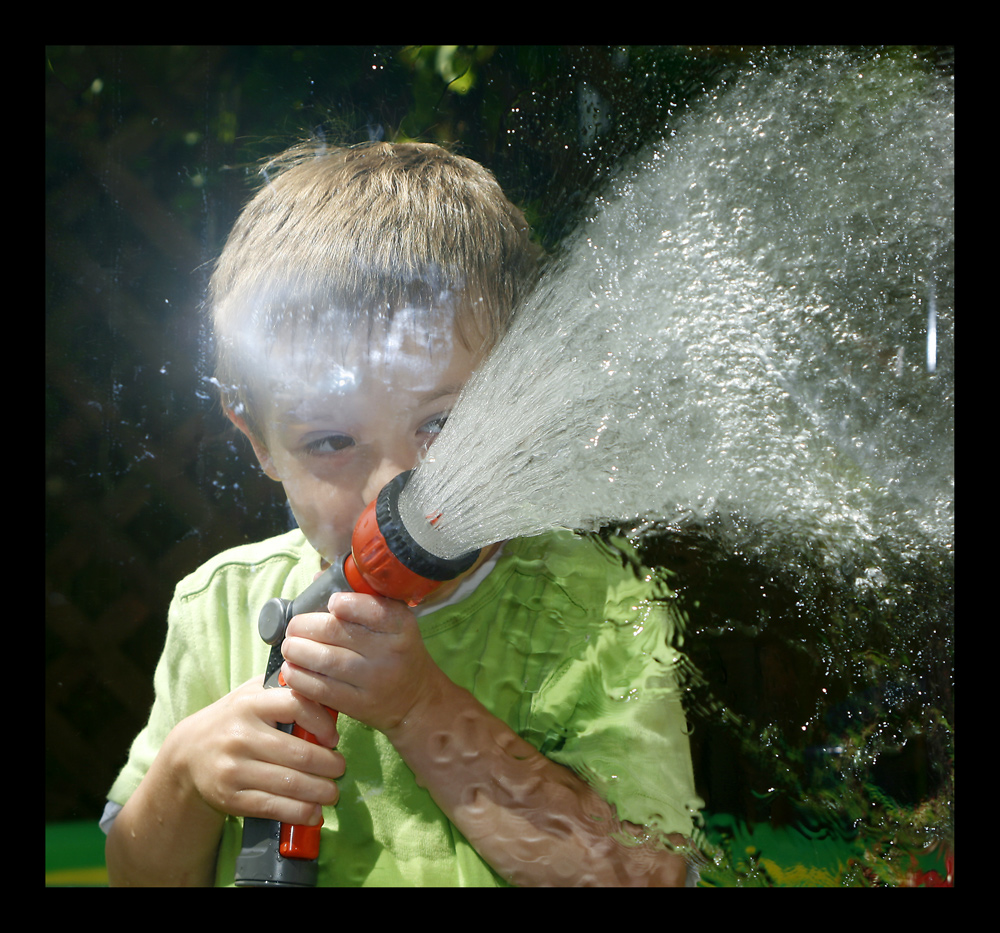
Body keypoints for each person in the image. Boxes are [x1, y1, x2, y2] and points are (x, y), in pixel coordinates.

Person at [103, 140, 700, 886]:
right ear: (257, 443)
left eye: (439, 424)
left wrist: (418, 706)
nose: (395, 485)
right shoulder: (218, 606)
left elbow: (642, 877)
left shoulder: (597, 607)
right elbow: (136, 875)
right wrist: (185, 778)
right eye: (331, 440)